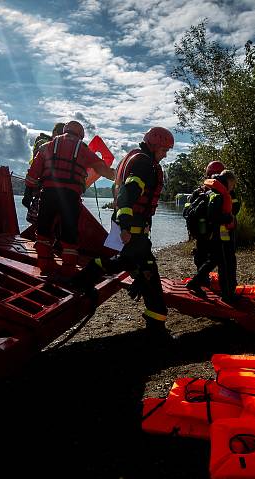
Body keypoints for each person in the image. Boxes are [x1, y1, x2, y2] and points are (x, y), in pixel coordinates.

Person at [73, 127, 176, 340]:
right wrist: (126, 226)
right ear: (155, 145)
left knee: (133, 265)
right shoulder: (144, 164)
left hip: (132, 227)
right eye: (165, 150)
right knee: (139, 268)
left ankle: (155, 320)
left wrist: (124, 223)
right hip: (132, 229)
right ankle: (156, 324)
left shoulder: (136, 159)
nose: (165, 154)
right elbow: (127, 194)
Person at [22, 120, 114, 278]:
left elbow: (33, 172)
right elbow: (102, 169)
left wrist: (28, 193)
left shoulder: (47, 146)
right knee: (69, 234)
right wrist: (118, 177)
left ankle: (45, 265)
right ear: (80, 135)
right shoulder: (82, 149)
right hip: (70, 197)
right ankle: (68, 269)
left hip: (48, 194)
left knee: (44, 231)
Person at [185, 170, 239, 303]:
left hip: (216, 237)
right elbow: (213, 216)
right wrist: (228, 218)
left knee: (213, 261)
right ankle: (227, 295)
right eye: (233, 184)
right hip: (219, 237)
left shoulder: (214, 192)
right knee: (225, 265)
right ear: (228, 181)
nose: (233, 187)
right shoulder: (218, 195)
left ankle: (195, 282)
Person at [189, 160, 226, 274]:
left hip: (215, 231)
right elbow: (190, 212)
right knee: (206, 256)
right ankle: (202, 280)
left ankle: (202, 279)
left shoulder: (224, 193)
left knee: (218, 257)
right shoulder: (201, 193)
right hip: (206, 231)